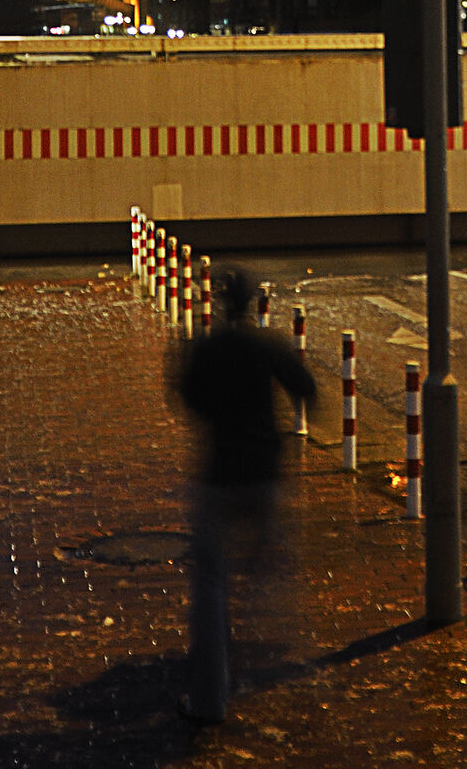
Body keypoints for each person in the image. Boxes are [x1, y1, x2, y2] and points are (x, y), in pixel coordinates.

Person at [174, 266, 316, 724]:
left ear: (220, 303)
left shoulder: (208, 348)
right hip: (263, 473)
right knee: (268, 559)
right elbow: (306, 386)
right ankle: (287, 645)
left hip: (219, 474)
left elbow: (187, 396)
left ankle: (209, 699)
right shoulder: (264, 346)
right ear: (252, 303)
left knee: (209, 583)